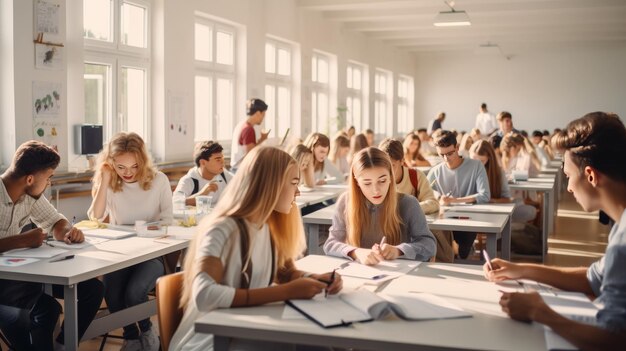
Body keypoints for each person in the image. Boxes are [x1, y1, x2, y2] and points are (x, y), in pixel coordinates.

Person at [170, 146, 343, 350]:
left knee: (319, 344)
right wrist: (286, 292)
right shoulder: (223, 229)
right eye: (294, 183)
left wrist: (314, 279)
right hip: (210, 340)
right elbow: (205, 295)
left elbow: (284, 273)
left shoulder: (266, 225)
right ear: (269, 185)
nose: (298, 191)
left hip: (243, 327)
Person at [484, 112, 626, 349]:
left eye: (569, 176)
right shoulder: (619, 225)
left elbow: (614, 339)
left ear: (590, 175)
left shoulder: (622, 243)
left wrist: (540, 312)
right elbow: (594, 279)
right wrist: (520, 269)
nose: (568, 187)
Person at [0, 141, 103, 351]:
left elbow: (55, 221)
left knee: (92, 288)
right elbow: (24, 240)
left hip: (21, 273)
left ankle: (62, 345)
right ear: (30, 179)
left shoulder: (30, 195)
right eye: (48, 178)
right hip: (5, 280)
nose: (49, 184)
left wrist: (67, 232)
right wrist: (23, 240)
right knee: (48, 309)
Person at [88, 132, 173, 351]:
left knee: (134, 293)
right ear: (111, 163)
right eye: (121, 167)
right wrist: (105, 179)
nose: (128, 173)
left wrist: (143, 230)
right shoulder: (111, 181)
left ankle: (146, 331)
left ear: (142, 162)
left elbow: (167, 220)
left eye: (134, 167)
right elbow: (95, 216)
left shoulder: (159, 180)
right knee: (112, 292)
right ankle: (131, 336)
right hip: (121, 254)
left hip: (151, 252)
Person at [324, 147, 436, 265]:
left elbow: (429, 245)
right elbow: (330, 244)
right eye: (367, 183)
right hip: (359, 274)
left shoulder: (409, 203)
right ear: (357, 182)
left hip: (401, 275)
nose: (376, 191)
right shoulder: (345, 201)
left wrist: (399, 250)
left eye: (382, 181)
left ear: (390, 178)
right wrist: (356, 252)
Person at [427, 130, 490, 259]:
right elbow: (425, 193)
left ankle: (460, 252)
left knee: (462, 252)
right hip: (443, 219)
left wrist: (454, 200)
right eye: (441, 155)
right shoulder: (435, 171)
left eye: (450, 153)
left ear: (457, 147)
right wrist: (438, 197)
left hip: (468, 219)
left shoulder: (476, 166)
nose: (446, 158)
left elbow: (484, 196)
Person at [469, 140, 536, 223]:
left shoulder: (525, 156)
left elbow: (525, 174)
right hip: (473, 209)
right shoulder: (466, 170)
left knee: (526, 208)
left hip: (492, 208)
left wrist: (492, 200)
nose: (477, 165)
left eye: (482, 161)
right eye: (474, 160)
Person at [379, 138, 439, 215]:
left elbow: (433, 203)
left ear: (402, 161)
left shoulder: (416, 176)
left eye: (392, 165)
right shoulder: (377, 180)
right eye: (384, 165)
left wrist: (409, 208)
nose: (387, 170)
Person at [174, 141, 233, 206]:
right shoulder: (189, 180)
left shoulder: (223, 174)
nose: (222, 162)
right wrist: (202, 194)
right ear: (203, 163)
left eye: (222, 158)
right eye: (218, 160)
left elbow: (242, 185)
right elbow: (175, 202)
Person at [230, 98, 269, 171]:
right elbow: (251, 154)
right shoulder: (248, 129)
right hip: (241, 169)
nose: (263, 118)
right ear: (258, 113)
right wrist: (263, 140)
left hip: (236, 168)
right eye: (263, 115)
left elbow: (248, 148)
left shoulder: (241, 125)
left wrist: (261, 139)